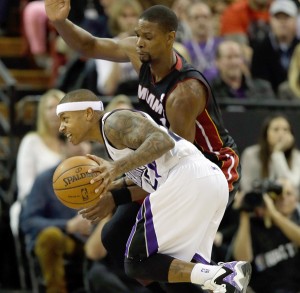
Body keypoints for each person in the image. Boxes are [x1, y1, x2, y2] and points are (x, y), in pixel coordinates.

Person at [45, 3, 241, 292]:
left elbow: (172, 162)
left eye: (147, 37)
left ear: (170, 38)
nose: (139, 42)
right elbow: (88, 44)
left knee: (157, 261)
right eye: (137, 35)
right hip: (171, 165)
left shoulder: (183, 94)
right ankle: (214, 278)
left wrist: (119, 187)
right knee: (115, 236)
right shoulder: (141, 57)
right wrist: (59, 22)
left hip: (211, 164)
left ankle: (218, 276)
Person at [56, 88, 251, 293]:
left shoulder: (114, 122)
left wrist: (115, 168)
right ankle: (219, 276)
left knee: (137, 261)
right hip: (204, 182)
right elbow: (152, 177)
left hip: (189, 177)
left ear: (87, 113)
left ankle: (220, 274)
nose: (61, 127)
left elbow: (162, 141)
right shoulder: (112, 142)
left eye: (65, 118)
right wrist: (115, 188)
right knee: (171, 273)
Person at [20, 140, 92, 293]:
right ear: (62, 146)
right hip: (66, 240)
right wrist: (68, 225)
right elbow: (28, 221)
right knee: (50, 236)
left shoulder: (99, 176)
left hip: (95, 240)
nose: (82, 146)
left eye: (86, 141)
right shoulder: (45, 180)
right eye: (75, 142)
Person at [9, 89, 65, 238]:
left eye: (58, 108)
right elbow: (26, 185)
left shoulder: (72, 144)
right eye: (49, 108)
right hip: (39, 206)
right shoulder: (32, 141)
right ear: (42, 113)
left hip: (68, 207)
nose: (54, 113)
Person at [232, 178, 300, 293]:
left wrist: (274, 214)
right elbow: (242, 260)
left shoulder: (297, 218)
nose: (283, 198)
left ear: (296, 198)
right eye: (278, 193)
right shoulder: (254, 225)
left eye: (288, 193)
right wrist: (244, 213)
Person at [240, 113, 300, 193]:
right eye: (276, 129)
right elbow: (246, 186)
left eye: (286, 130)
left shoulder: (296, 156)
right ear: (266, 134)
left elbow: (292, 185)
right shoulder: (251, 154)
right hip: (258, 202)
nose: (281, 134)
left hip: (285, 203)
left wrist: (277, 153)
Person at [251, 0, 300, 94]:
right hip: (267, 104)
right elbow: (259, 82)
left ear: (295, 20)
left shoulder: (299, 48)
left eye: (287, 17)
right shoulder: (260, 49)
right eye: (278, 18)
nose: (282, 22)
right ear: (270, 20)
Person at [210, 39, 276, 101]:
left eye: (237, 56)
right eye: (229, 57)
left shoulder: (262, 89)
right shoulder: (209, 91)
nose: (234, 62)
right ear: (217, 62)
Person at [183, 1, 222, 81]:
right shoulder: (183, 49)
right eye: (196, 17)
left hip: (218, 90)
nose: (201, 21)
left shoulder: (221, 45)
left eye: (205, 17)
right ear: (188, 21)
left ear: (211, 19)